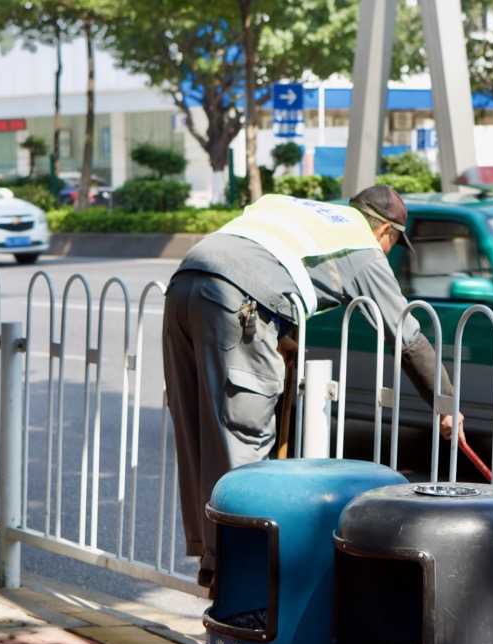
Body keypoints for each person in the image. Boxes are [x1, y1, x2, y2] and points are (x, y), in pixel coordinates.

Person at [163, 186, 459, 585]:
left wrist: (277, 334)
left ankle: (213, 558)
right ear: (385, 231)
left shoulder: (313, 216)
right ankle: (243, 581)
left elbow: (265, 261)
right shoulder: (360, 243)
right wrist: (444, 401)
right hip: (231, 297)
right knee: (242, 441)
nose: (389, 251)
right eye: (393, 243)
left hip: (185, 282)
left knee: (198, 431)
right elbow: (405, 336)